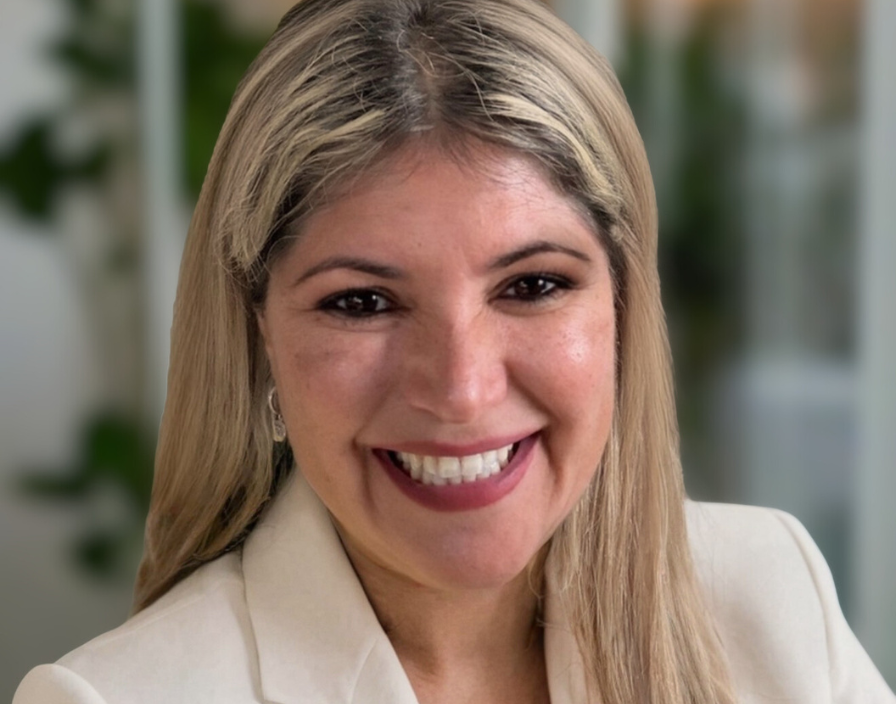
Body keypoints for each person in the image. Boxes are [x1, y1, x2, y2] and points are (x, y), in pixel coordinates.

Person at [13, 0, 895, 702]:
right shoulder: (107, 697)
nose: (463, 391)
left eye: (533, 285)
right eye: (361, 303)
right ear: (258, 342)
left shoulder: (772, 593)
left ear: (625, 303)